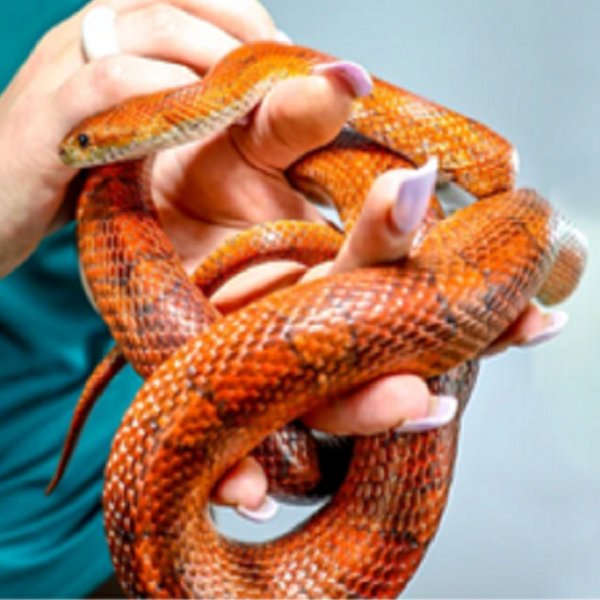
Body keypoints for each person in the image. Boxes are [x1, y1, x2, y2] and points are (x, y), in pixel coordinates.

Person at [0, 0, 567, 597]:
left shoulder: (175, 118)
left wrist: (289, 107)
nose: (73, 150)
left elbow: (253, 69)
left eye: (87, 143)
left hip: (83, 540)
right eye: (85, 144)